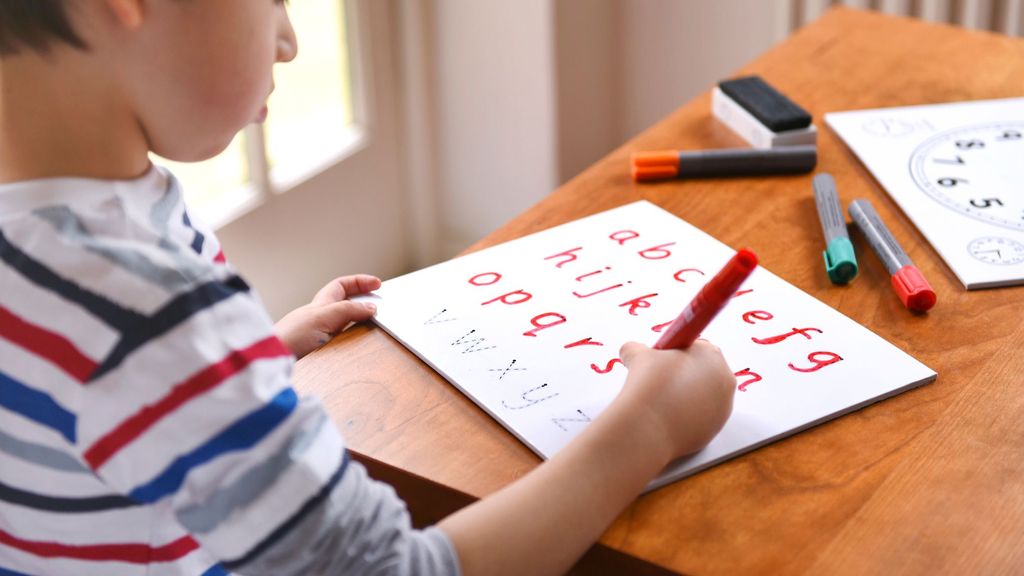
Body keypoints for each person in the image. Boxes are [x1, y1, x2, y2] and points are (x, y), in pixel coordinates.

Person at [0, 1, 737, 574]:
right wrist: (647, 428)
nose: (288, 41)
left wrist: (245, 361)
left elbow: (77, 412)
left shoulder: (77, 225)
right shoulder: (147, 315)